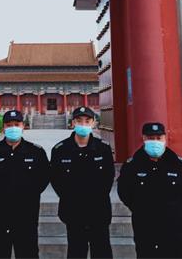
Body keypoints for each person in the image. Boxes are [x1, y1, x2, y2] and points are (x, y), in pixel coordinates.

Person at [117, 122, 182, 259]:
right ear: (143, 138)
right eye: (150, 138)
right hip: (145, 225)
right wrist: (140, 209)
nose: (155, 141)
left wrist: (174, 209)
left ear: (165, 138)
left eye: (158, 138)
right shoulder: (132, 165)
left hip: (172, 226)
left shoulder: (178, 164)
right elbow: (124, 192)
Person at [0, 110, 50, 259]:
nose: (13, 128)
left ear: (23, 126)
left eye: (16, 124)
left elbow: (43, 179)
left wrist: (27, 195)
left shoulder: (36, 152)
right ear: (3, 128)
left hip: (27, 213)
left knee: (28, 253)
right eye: (9, 125)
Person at [50, 106, 115, 259]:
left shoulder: (103, 149)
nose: (83, 124)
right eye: (79, 121)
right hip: (73, 210)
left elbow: (108, 178)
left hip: (98, 210)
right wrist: (70, 198)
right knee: (76, 251)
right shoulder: (60, 149)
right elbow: (56, 179)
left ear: (93, 123)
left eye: (87, 121)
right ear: (73, 123)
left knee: (102, 250)